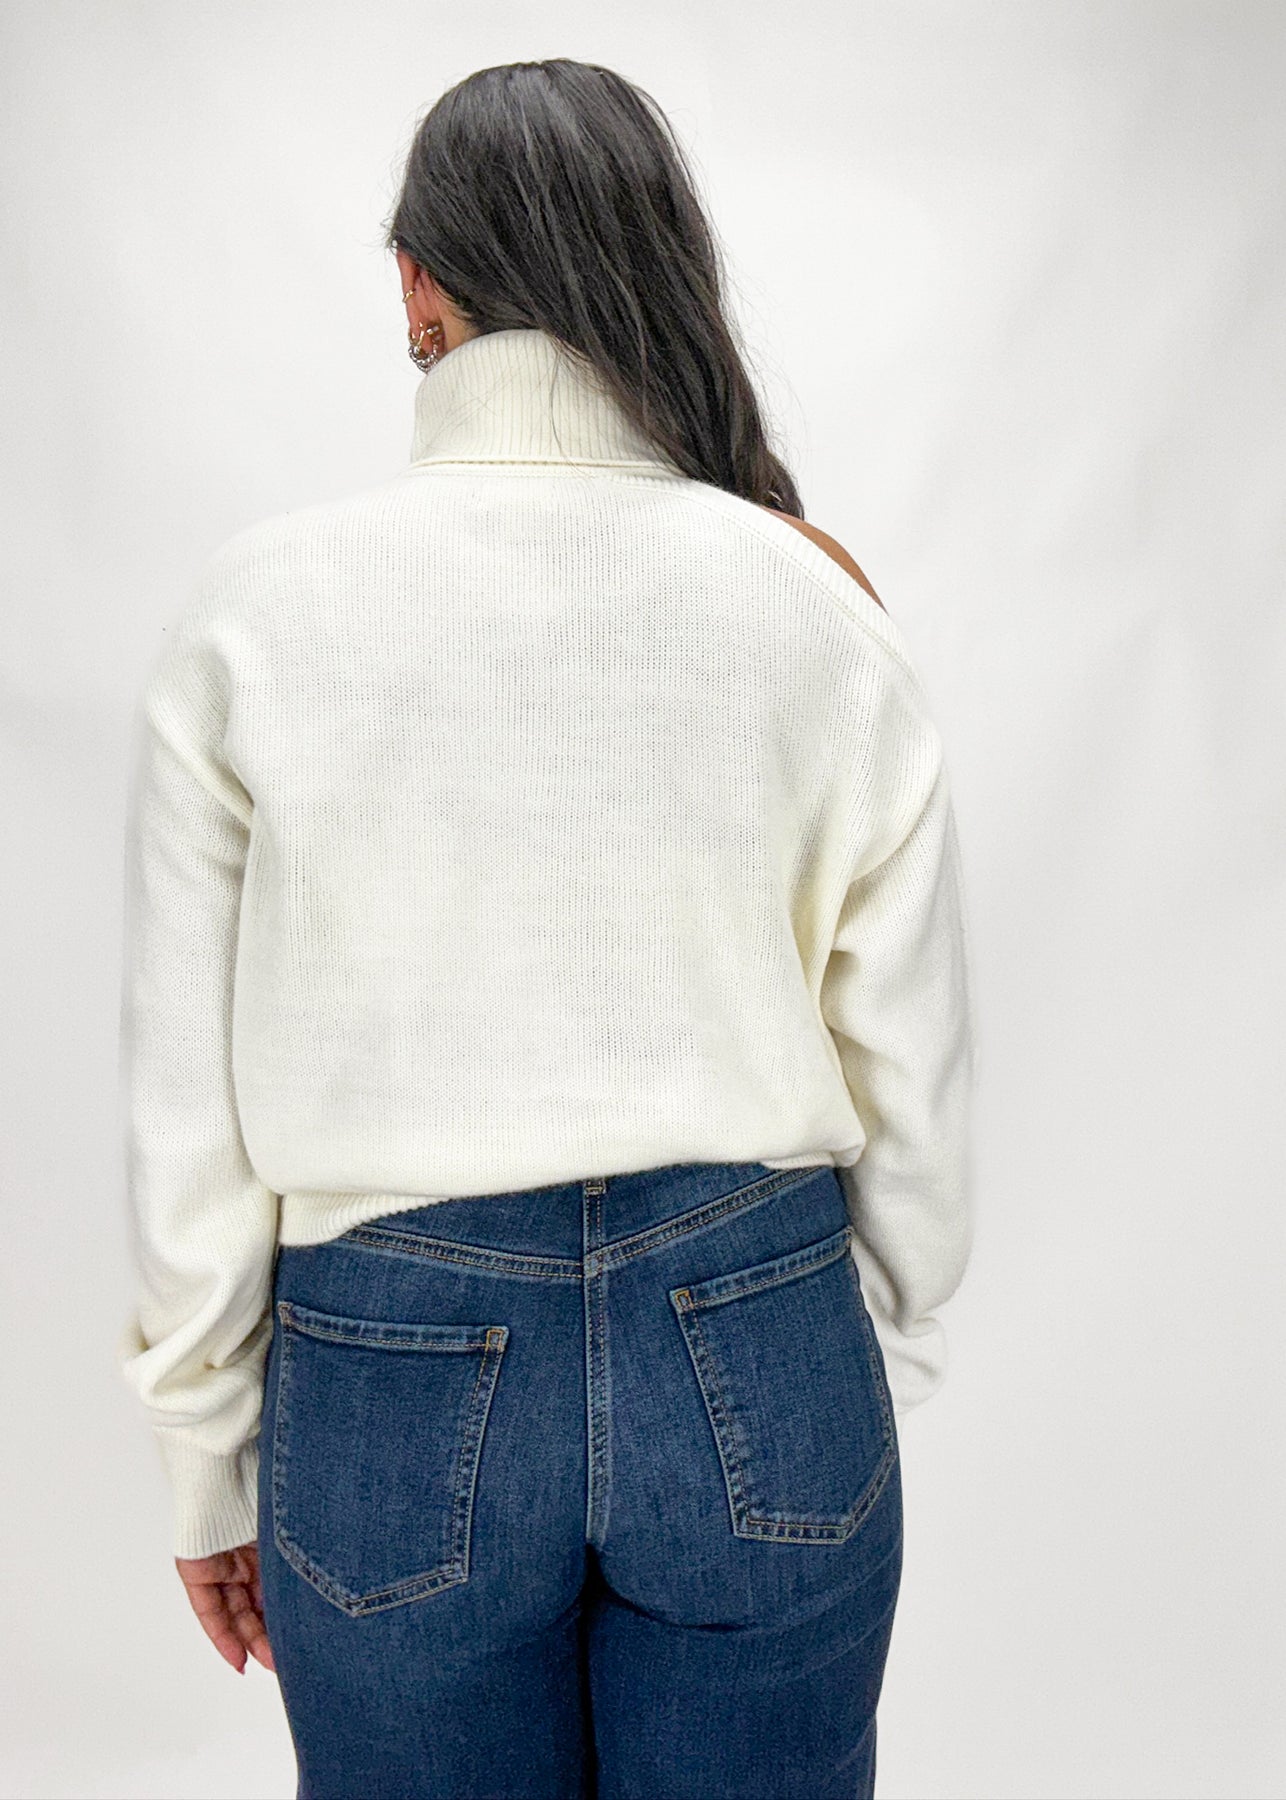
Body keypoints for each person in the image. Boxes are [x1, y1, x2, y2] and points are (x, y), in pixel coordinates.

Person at [116, 55, 977, 1800]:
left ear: (418, 288)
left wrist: (205, 1450)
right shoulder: (811, 602)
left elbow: (185, 1106)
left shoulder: (253, 617)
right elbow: (911, 1061)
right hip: (758, 1325)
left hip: (389, 1359)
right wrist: (838, 1348)